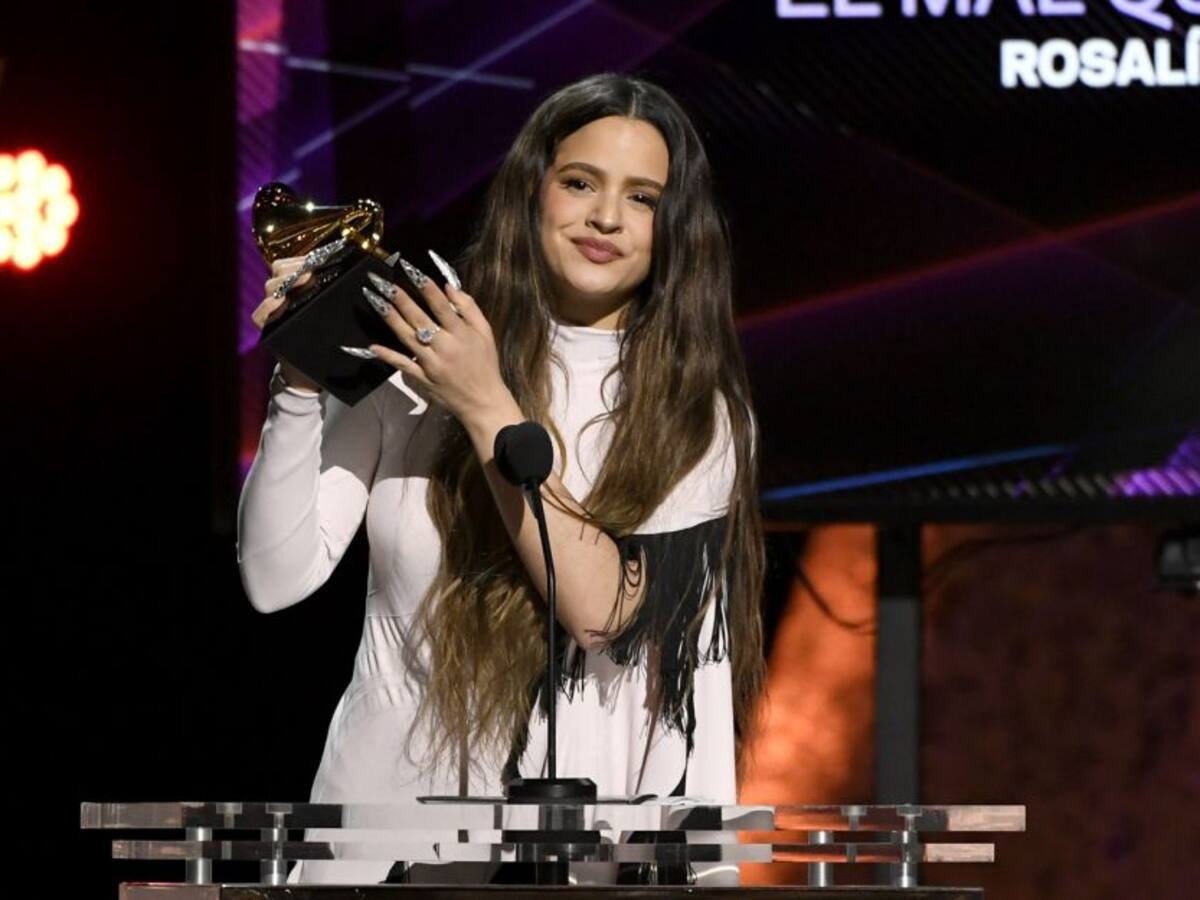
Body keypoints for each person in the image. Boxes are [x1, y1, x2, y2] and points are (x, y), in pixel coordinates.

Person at [237, 72, 764, 885]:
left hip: (563, 861)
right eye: (579, 183)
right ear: (533, 190)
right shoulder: (421, 344)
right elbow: (276, 579)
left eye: (642, 198)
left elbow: (602, 612)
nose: (606, 217)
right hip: (375, 846)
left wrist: (483, 401)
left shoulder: (695, 412)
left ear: (675, 227)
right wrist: (301, 380)